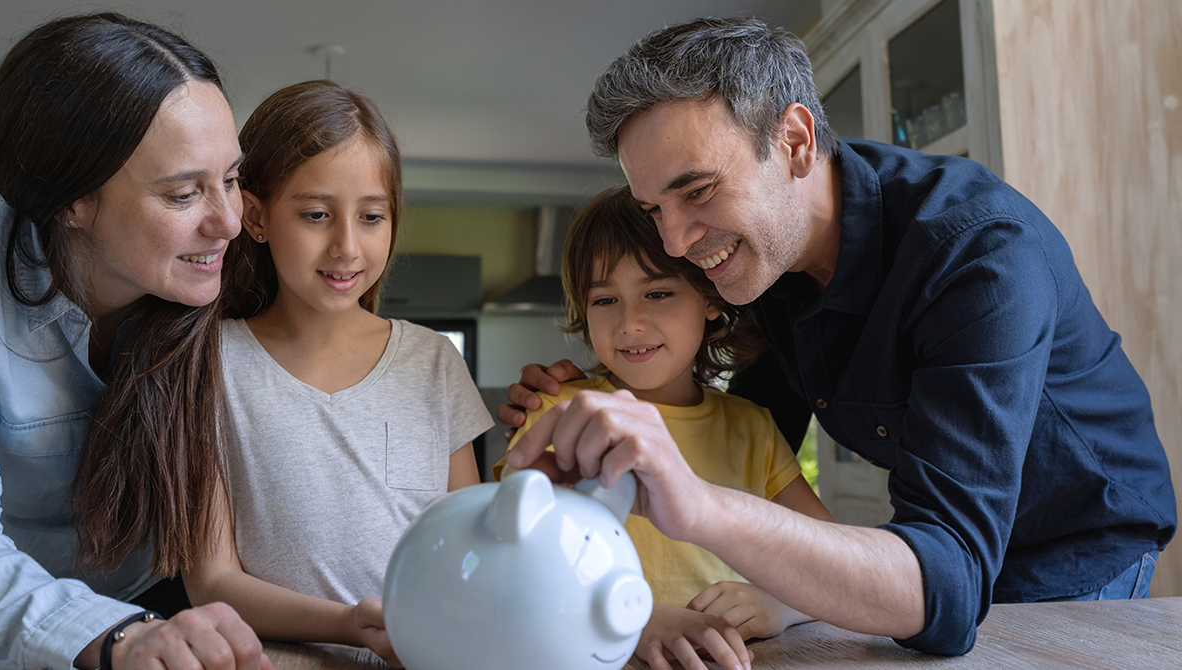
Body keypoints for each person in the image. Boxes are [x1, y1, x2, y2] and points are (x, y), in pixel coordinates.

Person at [502, 16, 1176, 656]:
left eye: (699, 191)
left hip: (1074, 531)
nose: (674, 241)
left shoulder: (975, 253)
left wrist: (708, 512)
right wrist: (597, 398)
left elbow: (948, 585)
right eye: (654, 209)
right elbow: (743, 434)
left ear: (795, 141)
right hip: (942, 549)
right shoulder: (761, 259)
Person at [0, 13, 273, 670]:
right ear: (71, 200)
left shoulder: (229, 265)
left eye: (230, 178)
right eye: (183, 192)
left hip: (140, 602)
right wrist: (117, 638)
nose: (227, 220)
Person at [180, 81, 493, 667]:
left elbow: (468, 545)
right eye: (317, 214)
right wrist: (353, 625)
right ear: (255, 216)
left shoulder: (434, 363)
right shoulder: (208, 366)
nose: (348, 246)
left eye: (372, 216)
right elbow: (211, 580)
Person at [494, 186, 832, 670]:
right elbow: (511, 559)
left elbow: (831, 560)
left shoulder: (751, 427)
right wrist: (624, 619)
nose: (630, 323)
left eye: (657, 293)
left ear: (710, 299)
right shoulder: (561, 409)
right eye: (605, 300)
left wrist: (780, 606)